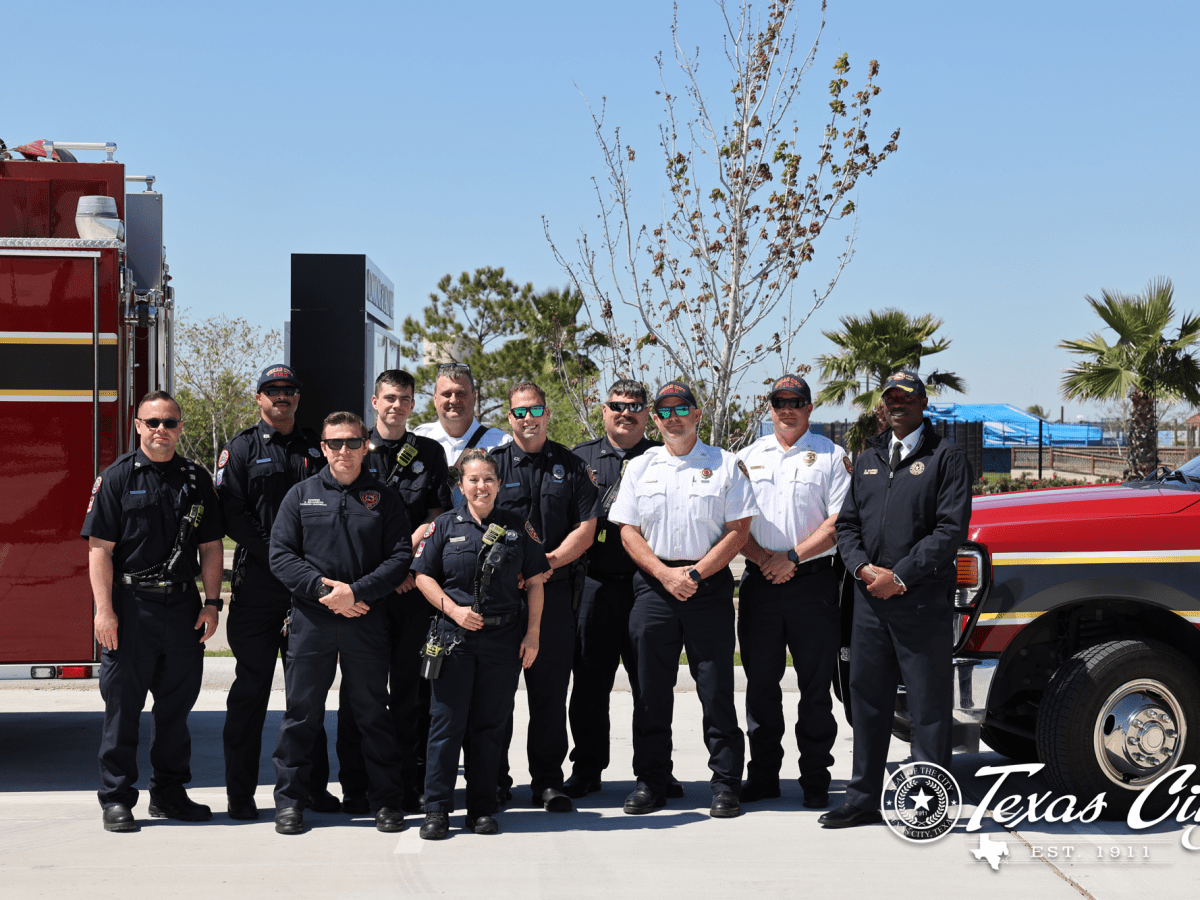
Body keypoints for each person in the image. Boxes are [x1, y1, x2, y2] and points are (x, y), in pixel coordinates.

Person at [821, 371, 973, 828]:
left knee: (928, 709)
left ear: (924, 402)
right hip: (870, 602)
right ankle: (863, 798)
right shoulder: (867, 460)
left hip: (920, 602)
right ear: (882, 406)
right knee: (867, 703)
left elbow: (950, 532)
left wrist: (900, 576)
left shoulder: (946, 457)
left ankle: (930, 805)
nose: (898, 404)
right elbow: (846, 526)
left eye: (907, 397)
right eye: (891, 398)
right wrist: (864, 569)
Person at [607, 381, 758, 818]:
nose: (673, 417)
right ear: (655, 418)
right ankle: (651, 782)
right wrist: (663, 574)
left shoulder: (727, 464)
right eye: (664, 410)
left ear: (698, 413)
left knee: (715, 690)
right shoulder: (640, 467)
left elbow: (738, 532)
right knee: (651, 692)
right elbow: (627, 531)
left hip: (706, 586)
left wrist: (692, 574)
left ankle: (726, 784)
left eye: (682, 408)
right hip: (654, 587)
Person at [83, 391, 225, 832]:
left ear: (181, 427)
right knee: (123, 708)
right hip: (131, 606)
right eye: (153, 421)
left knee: (175, 710)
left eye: (170, 421)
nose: (161, 429)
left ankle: (169, 794)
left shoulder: (196, 478)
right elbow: (99, 549)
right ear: (138, 425)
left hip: (182, 606)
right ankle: (117, 798)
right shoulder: (117, 478)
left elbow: (212, 546)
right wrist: (104, 611)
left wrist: (212, 603)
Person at [269, 412, 413, 835]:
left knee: (372, 713)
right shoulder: (300, 496)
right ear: (324, 449)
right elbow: (281, 555)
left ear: (365, 445)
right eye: (335, 444)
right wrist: (325, 592)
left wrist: (357, 593)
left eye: (352, 442)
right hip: (311, 621)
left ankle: (385, 801)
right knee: (302, 715)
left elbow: (400, 558)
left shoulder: (384, 498)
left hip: (365, 620)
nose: (344, 451)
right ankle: (291, 803)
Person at [216, 364, 338, 821]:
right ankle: (240, 794)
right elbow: (231, 513)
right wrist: (278, 555)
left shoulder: (316, 447)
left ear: (297, 398)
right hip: (260, 588)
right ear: (259, 398)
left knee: (307, 695)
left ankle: (311, 788)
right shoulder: (242, 448)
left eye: (289, 389)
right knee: (250, 692)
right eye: (273, 390)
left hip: (307, 589)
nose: (281, 396)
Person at [412, 449, 549, 838]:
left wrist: (533, 634)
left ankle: (482, 808)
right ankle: (437, 809)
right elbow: (423, 577)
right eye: (473, 479)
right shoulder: (443, 526)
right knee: (446, 725)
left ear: (499, 485)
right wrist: (453, 611)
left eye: (489, 479)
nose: (482, 486)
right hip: (455, 639)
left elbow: (537, 582)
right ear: (461, 486)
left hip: (503, 640)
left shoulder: (518, 527)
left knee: (490, 727)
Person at [337, 369, 451, 814]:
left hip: (410, 594)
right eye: (388, 398)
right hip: (365, 592)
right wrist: (383, 575)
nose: (396, 405)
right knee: (358, 695)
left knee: (410, 694)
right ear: (374, 400)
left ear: (412, 403)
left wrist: (408, 569)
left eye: (404, 398)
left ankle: (406, 786)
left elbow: (437, 518)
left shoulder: (430, 452)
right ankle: (355, 786)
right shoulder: (352, 447)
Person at [566, 378, 685, 800]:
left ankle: (656, 770)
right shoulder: (579, 459)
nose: (625, 412)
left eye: (634, 406)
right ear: (603, 410)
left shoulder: (665, 456)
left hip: (648, 587)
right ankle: (586, 768)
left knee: (652, 685)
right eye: (617, 405)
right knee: (589, 685)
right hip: (595, 585)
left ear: (646, 413)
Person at [735, 374, 851, 809]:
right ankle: (763, 776)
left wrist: (792, 559)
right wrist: (766, 559)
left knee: (815, 688)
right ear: (770, 406)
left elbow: (838, 523)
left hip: (813, 583)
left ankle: (816, 779)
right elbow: (733, 523)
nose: (787, 408)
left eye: (796, 401)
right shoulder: (746, 457)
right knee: (760, 685)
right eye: (779, 400)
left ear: (809, 406)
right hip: (759, 582)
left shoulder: (831, 455)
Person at [490, 381, 600, 811]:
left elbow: (586, 528)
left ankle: (548, 782)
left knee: (550, 695)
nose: (528, 419)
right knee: (495, 695)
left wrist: (547, 563)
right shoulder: (491, 465)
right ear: (509, 417)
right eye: (519, 412)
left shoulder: (572, 467)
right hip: (502, 598)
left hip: (553, 596)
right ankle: (494, 778)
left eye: (535, 410)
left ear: (548, 413)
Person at [412, 362, 511, 476]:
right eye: (446, 394)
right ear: (435, 399)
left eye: (461, 393)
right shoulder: (418, 441)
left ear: (474, 397)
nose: (453, 400)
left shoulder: (501, 444)